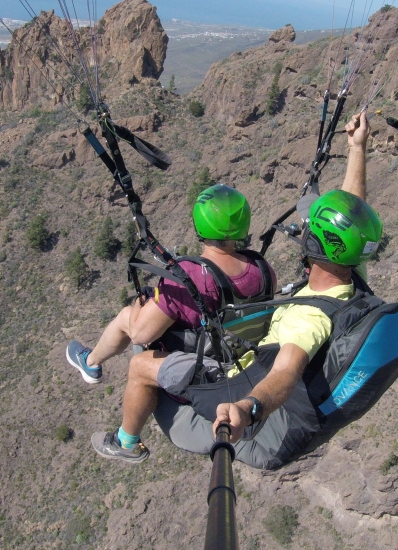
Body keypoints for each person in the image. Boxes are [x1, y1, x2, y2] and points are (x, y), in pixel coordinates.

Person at [91, 112, 380, 467]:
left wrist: (249, 407)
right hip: (248, 359)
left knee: (139, 364)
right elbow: (354, 212)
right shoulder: (351, 274)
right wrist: (357, 148)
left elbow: (285, 372)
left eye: (307, 229)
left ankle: (127, 444)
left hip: (238, 386)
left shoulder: (307, 320)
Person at [66, 182, 275, 396]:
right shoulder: (262, 268)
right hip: (246, 360)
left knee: (128, 317)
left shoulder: (189, 276)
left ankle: (91, 362)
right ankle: (91, 362)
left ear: (200, 224)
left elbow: (140, 335)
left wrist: (140, 303)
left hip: (206, 371)